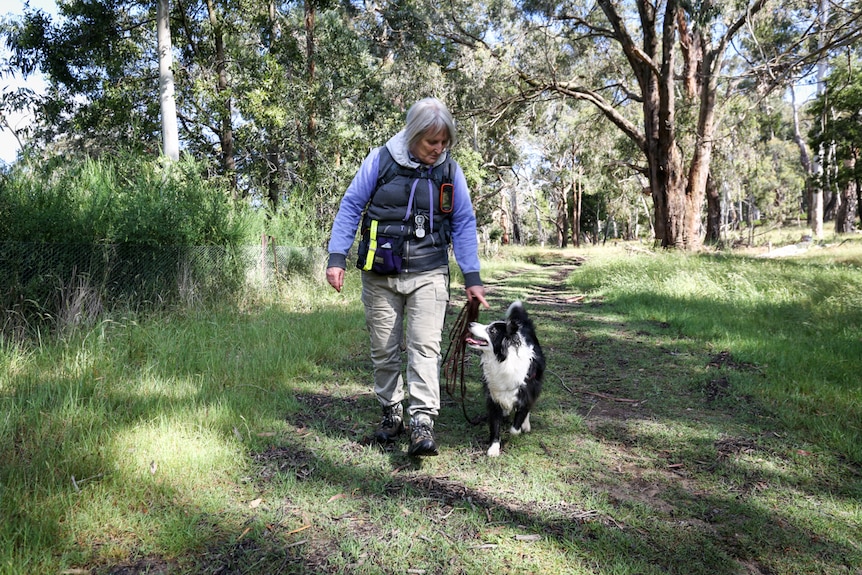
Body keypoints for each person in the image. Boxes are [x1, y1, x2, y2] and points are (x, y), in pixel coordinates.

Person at [326, 97, 489, 457]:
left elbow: (463, 223)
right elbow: (351, 205)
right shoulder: (381, 160)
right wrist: (336, 257)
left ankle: (422, 422)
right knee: (384, 349)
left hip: (429, 272)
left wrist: (472, 277)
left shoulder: (450, 172)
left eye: (445, 142)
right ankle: (391, 414)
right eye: (433, 142)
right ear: (414, 135)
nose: (439, 149)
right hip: (380, 273)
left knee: (423, 348)